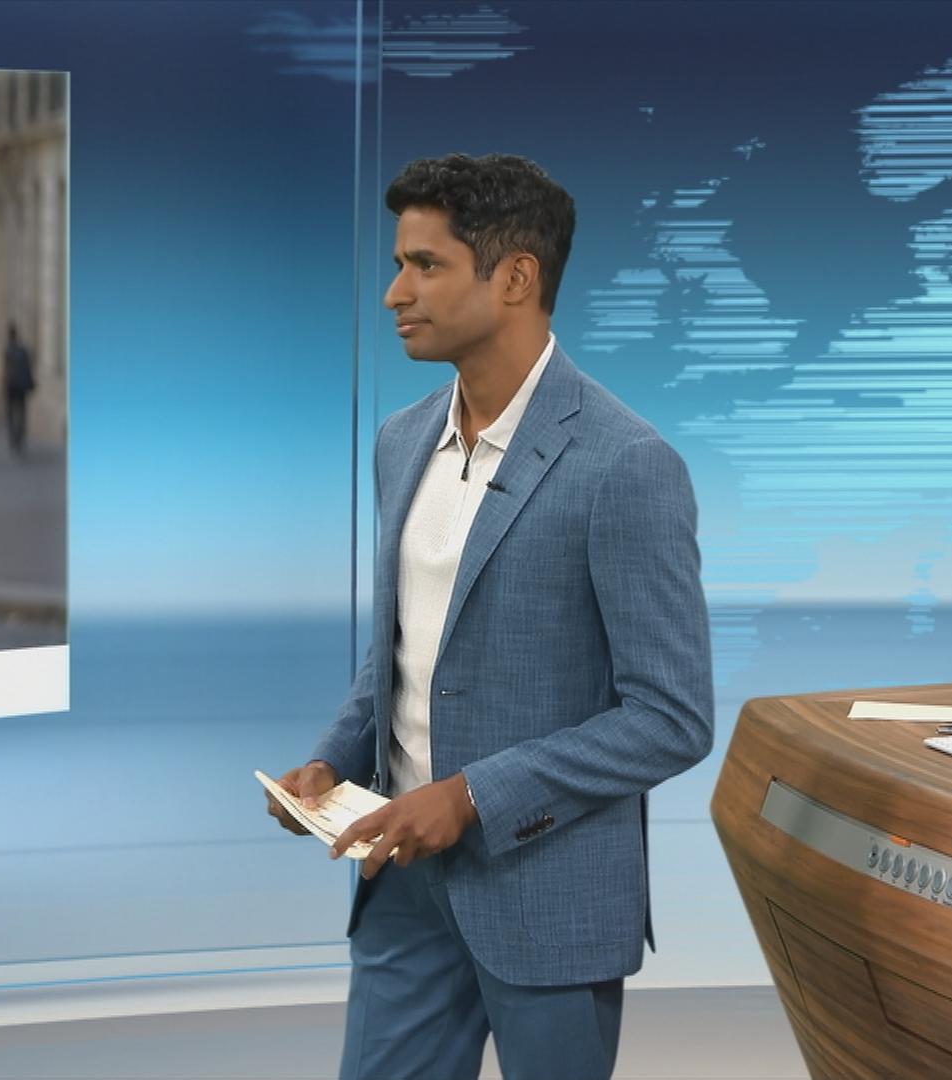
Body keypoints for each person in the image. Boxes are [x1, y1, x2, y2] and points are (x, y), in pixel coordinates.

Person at [265, 154, 713, 1080]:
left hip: (549, 895)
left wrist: (470, 798)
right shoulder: (400, 442)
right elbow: (400, 653)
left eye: (426, 265)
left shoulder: (627, 466)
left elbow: (671, 717)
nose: (395, 292)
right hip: (401, 887)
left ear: (515, 278)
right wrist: (336, 759)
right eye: (399, 264)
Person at [1, 322, 35, 457]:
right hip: (21, 386)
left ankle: (13, 437)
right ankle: (21, 435)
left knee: (10, 412)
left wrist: (2, 385)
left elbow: (4, 371)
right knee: (22, 411)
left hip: (11, 386)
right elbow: (28, 368)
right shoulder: (23, 350)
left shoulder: (8, 350)